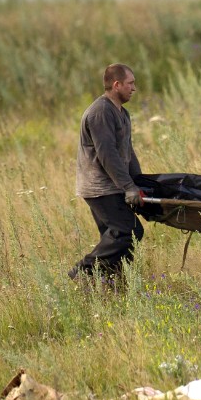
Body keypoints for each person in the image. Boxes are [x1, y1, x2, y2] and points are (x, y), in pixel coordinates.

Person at [68, 63, 146, 282]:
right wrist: (128, 187)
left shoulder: (122, 113)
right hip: (99, 187)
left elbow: (126, 151)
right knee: (129, 233)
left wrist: (139, 182)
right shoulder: (101, 111)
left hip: (114, 185)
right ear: (116, 84)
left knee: (113, 238)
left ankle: (110, 284)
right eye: (130, 83)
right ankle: (81, 273)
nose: (134, 88)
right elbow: (107, 154)